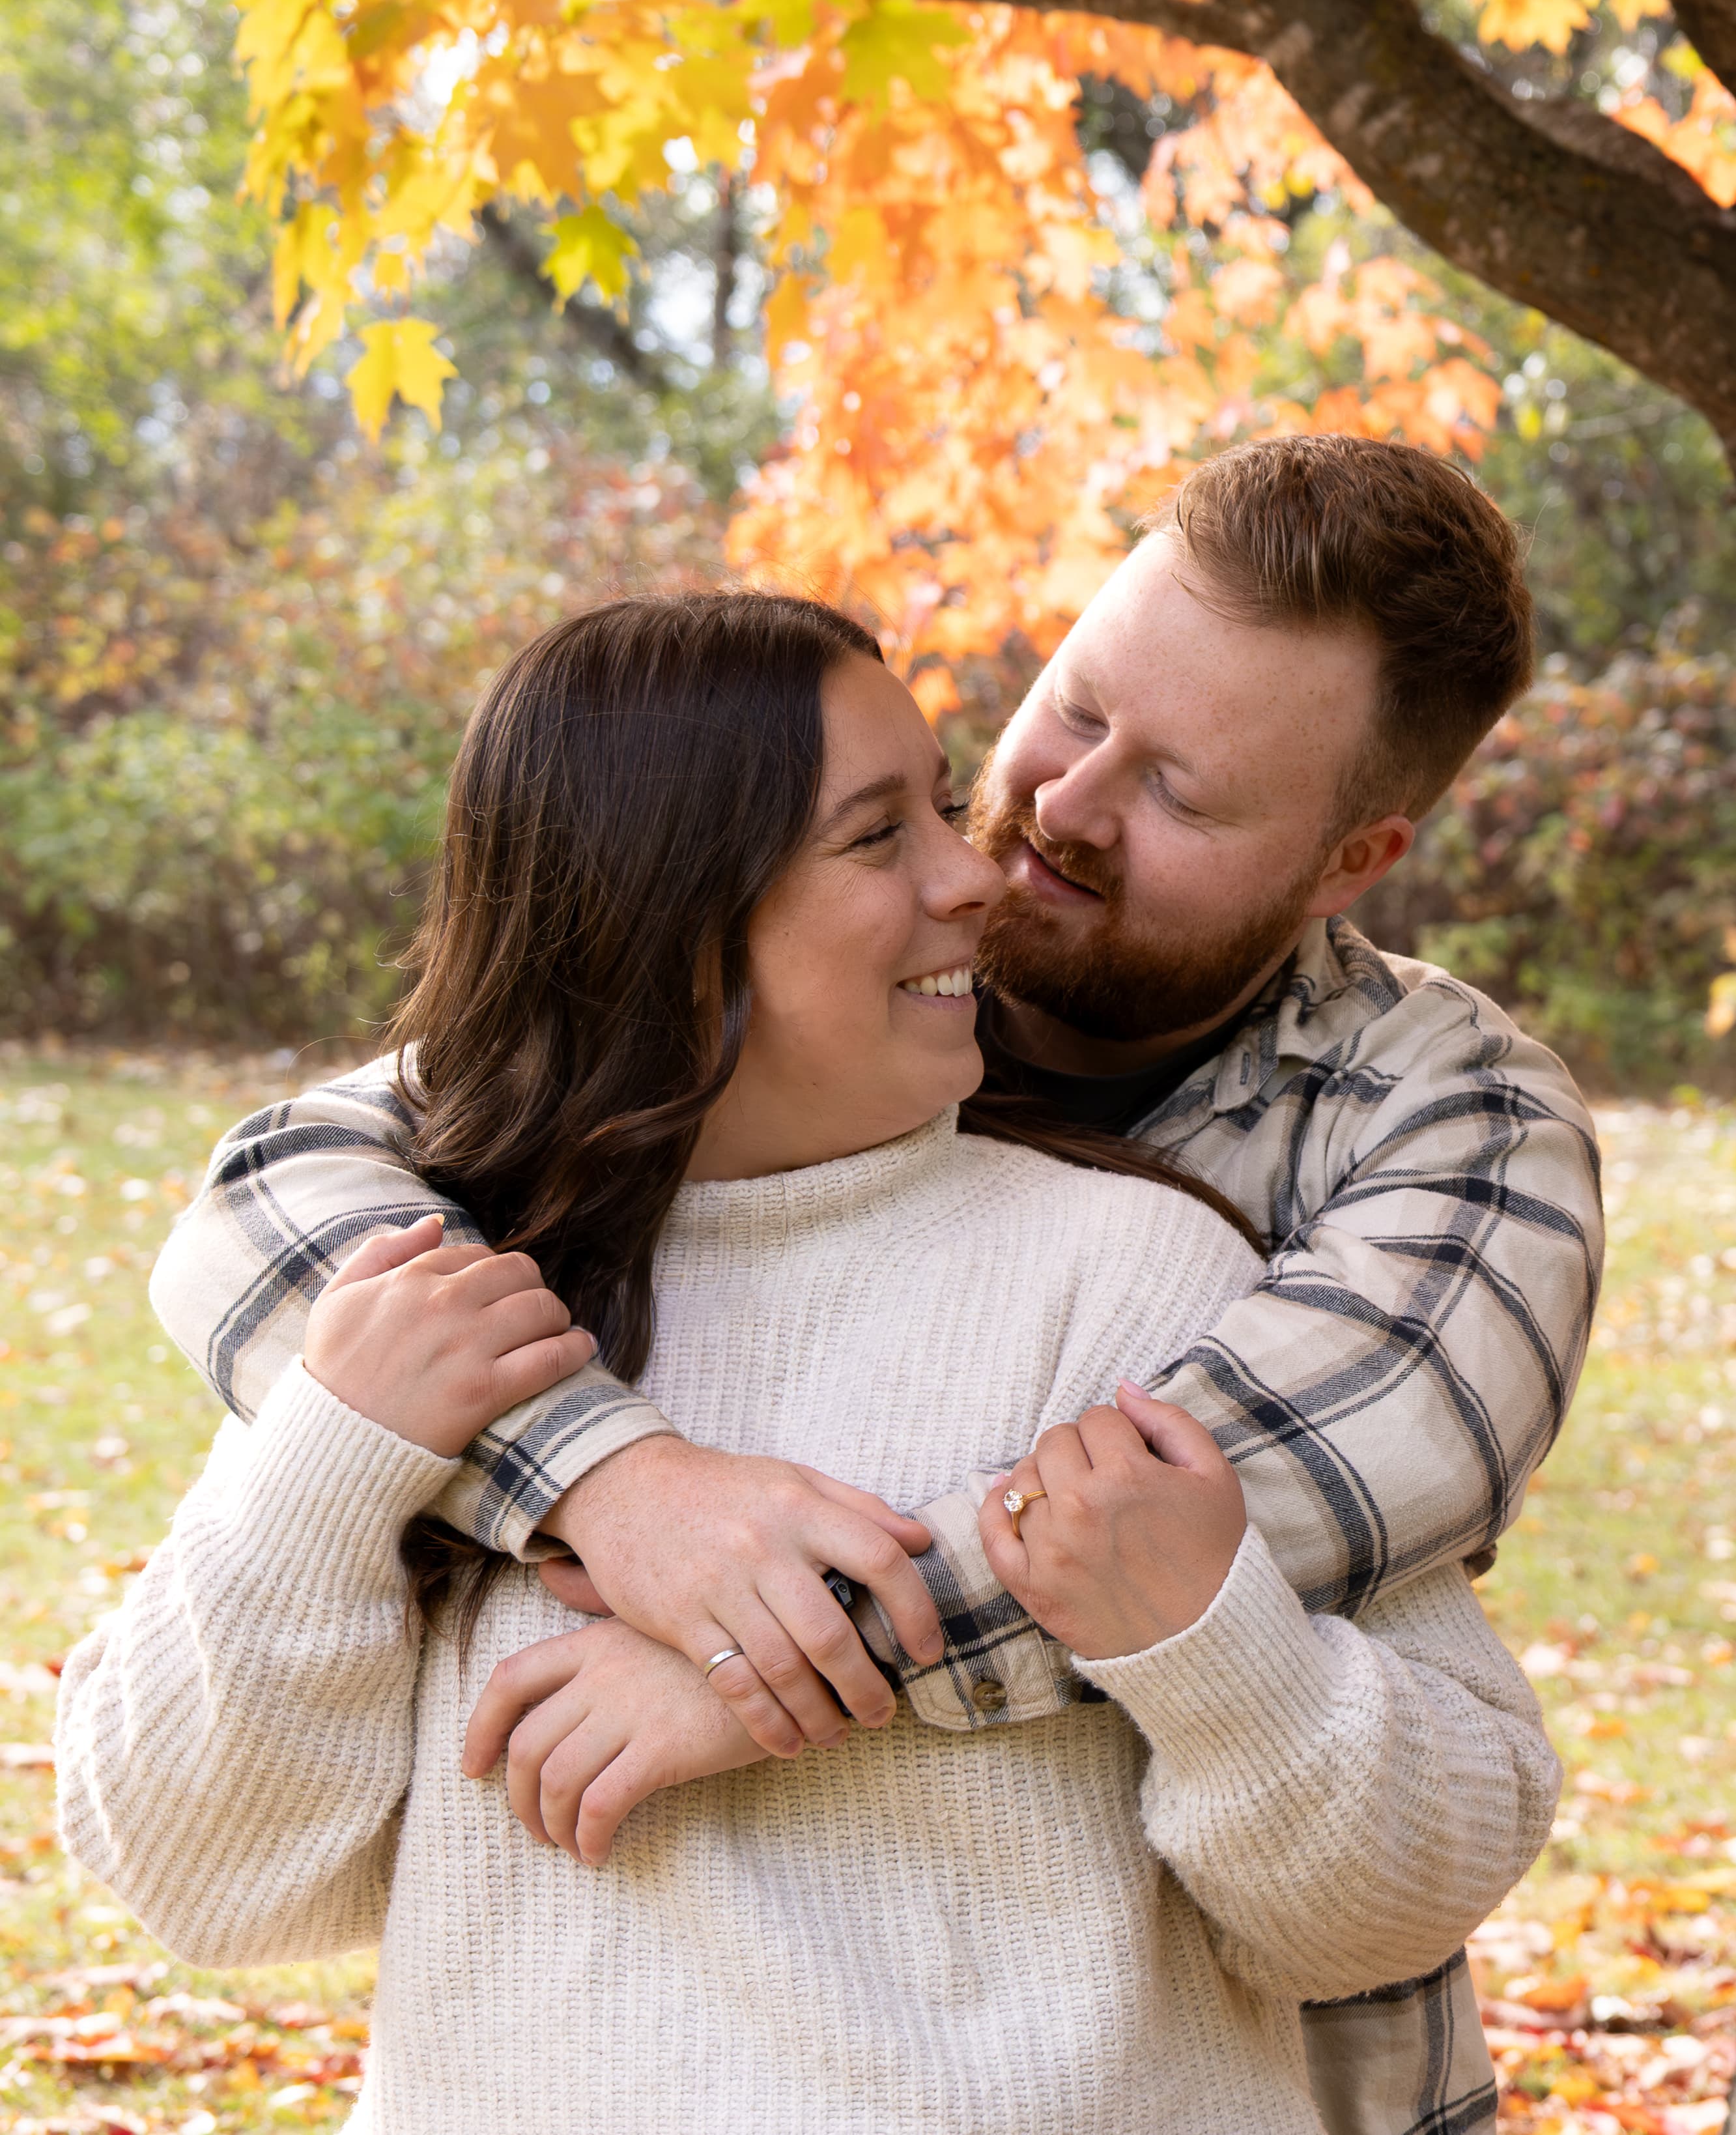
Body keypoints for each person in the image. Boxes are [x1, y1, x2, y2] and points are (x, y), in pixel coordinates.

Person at [141, 435, 1601, 2132]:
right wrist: (612, 1482)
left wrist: (769, 1655)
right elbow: (284, 1193)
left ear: (1352, 859)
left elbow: (1296, 1477)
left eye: (1180, 793)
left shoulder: (1434, 1129)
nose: (1045, 817)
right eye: (1069, 711)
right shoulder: (613, 1157)